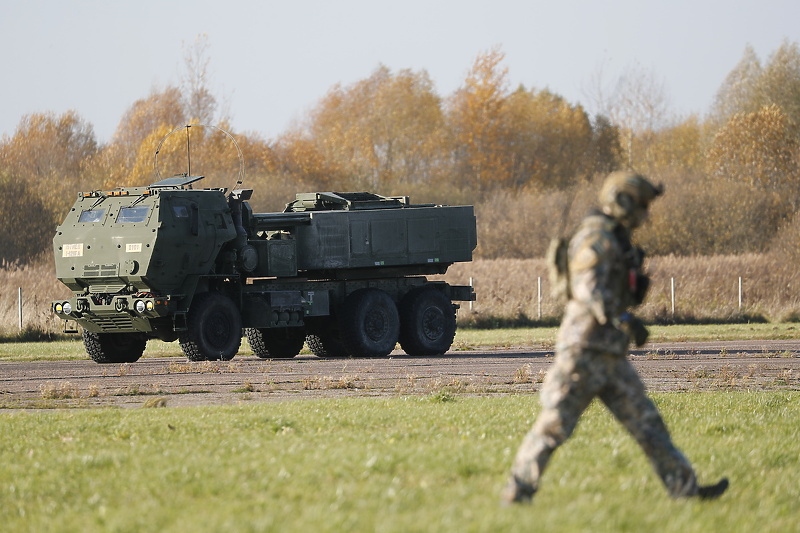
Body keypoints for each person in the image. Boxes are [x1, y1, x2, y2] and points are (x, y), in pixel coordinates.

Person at [502, 171, 728, 504]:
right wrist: (622, 317)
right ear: (622, 201)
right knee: (553, 427)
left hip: (609, 353)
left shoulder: (617, 239)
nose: (645, 215)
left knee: (648, 424)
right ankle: (517, 493)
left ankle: (685, 490)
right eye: (641, 205)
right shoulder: (595, 238)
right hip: (583, 351)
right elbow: (587, 288)